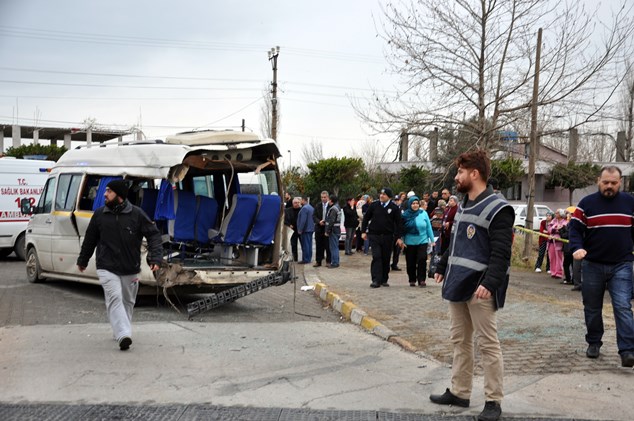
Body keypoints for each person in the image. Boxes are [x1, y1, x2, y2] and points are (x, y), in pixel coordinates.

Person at [430, 150, 513, 421]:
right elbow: (455, 241)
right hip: (457, 283)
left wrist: (490, 283)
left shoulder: (499, 208)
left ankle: (493, 401)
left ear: (474, 174)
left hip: (480, 287)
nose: (457, 177)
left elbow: (501, 253)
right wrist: (442, 266)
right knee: (460, 341)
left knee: (488, 345)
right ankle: (460, 392)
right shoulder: (463, 203)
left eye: (460, 172)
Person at [76, 179, 163, 351]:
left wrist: (156, 258)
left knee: (128, 301)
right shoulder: (100, 215)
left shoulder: (137, 215)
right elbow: (90, 239)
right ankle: (124, 333)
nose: (105, 194)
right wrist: (82, 260)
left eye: (109, 191)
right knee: (115, 297)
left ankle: (120, 330)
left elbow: (154, 235)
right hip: (106, 266)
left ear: (119, 195)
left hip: (130, 267)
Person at [568, 166, 634, 367]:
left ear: (620, 182)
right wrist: (576, 248)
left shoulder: (630, 203)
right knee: (592, 307)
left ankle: (627, 350)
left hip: (622, 264)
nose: (609, 186)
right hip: (593, 264)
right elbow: (575, 230)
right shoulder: (586, 204)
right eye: (606, 182)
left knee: (623, 306)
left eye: (614, 183)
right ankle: (594, 342)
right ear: (599, 181)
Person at [361, 187, 404, 288]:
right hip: (374, 235)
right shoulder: (374, 205)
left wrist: (398, 237)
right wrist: (363, 231)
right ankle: (376, 279)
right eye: (381, 194)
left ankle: (384, 279)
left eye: (384, 194)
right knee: (376, 256)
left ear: (389, 196)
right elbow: (366, 218)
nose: (381, 196)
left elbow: (399, 223)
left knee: (385, 258)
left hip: (388, 237)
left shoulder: (394, 207)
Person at [402, 195, 435, 287]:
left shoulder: (423, 213)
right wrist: (402, 240)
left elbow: (428, 227)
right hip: (409, 241)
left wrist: (432, 240)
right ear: (410, 204)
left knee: (422, 259)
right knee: (410, 261)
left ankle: (421, 279)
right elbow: (402, 229)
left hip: (422, 240)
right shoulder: (405, 215)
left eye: (417, 203)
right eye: (413, 203)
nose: (415, 205)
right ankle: (412, 279)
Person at [312, 190, 331, 267]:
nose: (323, 199)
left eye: (324, 197)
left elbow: (332, 217)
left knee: (327, 245)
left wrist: (325, 221)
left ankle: (328, 261)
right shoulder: (318, 205)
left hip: (327, 228)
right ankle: (318, 261)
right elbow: (314, 216)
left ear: (328, 197)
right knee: (319, 246)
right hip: (319, 228)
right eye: (322, 197)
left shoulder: (330, 206)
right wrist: (319, 221)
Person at [547, 209, 567, 279]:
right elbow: (549, 229)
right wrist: (555, 229)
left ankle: (559, 273)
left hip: (559, 242)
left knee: (559, 257)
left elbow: (562, 230)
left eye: (557, 213)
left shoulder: (564, 221)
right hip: (551, 241)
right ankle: (553, 272)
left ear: (561, 214)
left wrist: (555, 230)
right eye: (555, 213)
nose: (555, 214)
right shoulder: (553, 220)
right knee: (551, 257)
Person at [324, 194, 342, 268]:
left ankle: (334, 263)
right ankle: (336, 261)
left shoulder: (333, 209)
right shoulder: (337, 207)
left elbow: (331, 221)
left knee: (333, 247)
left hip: (333, 230)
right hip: (337, 229)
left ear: (331, 200)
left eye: (328, 199)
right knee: (336, 247)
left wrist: (327, 231)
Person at [296, 196, 315, 264]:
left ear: (304, 200)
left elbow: (303, 220)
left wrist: (300, 229)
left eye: (300, 200)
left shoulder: (304, 208)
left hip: (305, 229)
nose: (300, 202)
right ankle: (308, 258)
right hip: (310, 229)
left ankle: (306, 259)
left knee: (305, 245)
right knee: (309, 244)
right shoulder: (311, 207)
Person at [284, 197, 301, 261]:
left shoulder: (302, 210)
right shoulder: (287, 210)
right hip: (292, 230)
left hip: (300, 230)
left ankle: (305, 258)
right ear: (292, 203)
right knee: (293, 245)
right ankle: (295, 258)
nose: (296, 204)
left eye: (298, 202)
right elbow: (284, 220)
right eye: (295, 203)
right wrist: (289, 225)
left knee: (303, 244)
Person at [391, 194, 404, 271]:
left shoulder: (402, 209)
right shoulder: (391, 208)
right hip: (391, 232)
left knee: (397, 250)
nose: (396, 202)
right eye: (395, 200)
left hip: (398, 232)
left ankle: (394, 264)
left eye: (398, 200)